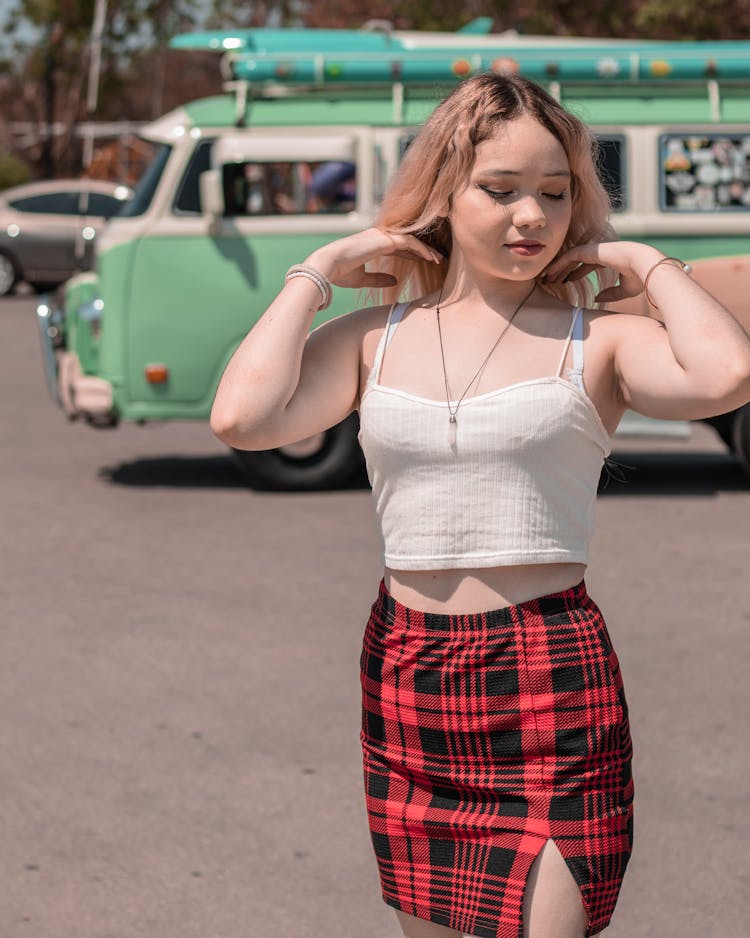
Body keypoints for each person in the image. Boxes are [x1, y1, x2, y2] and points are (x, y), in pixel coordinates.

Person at [210, 74, 750, 938]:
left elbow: (726, 375)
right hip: (409, 673)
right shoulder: (373, 337)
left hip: (550, 674)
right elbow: (242, 417)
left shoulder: (599, 338)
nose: (530, 216)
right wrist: (318, 273)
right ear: (442, 197)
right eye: (500, 190)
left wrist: (644, 262)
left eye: (555, 192)